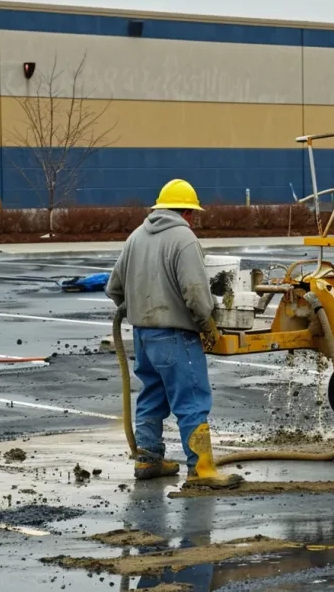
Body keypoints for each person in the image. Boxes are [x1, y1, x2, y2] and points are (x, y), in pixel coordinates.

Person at [106, 178, 241, 488]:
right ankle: (203, 470)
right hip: (176, 337)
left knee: (152, 395)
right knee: (192, 399)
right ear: (186, 212)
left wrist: (139, 308)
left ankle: (148, 459)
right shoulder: (184, 238)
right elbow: (196, 294)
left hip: (143, 336)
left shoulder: (136, 236)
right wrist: (207, 324)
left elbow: (114, 288)